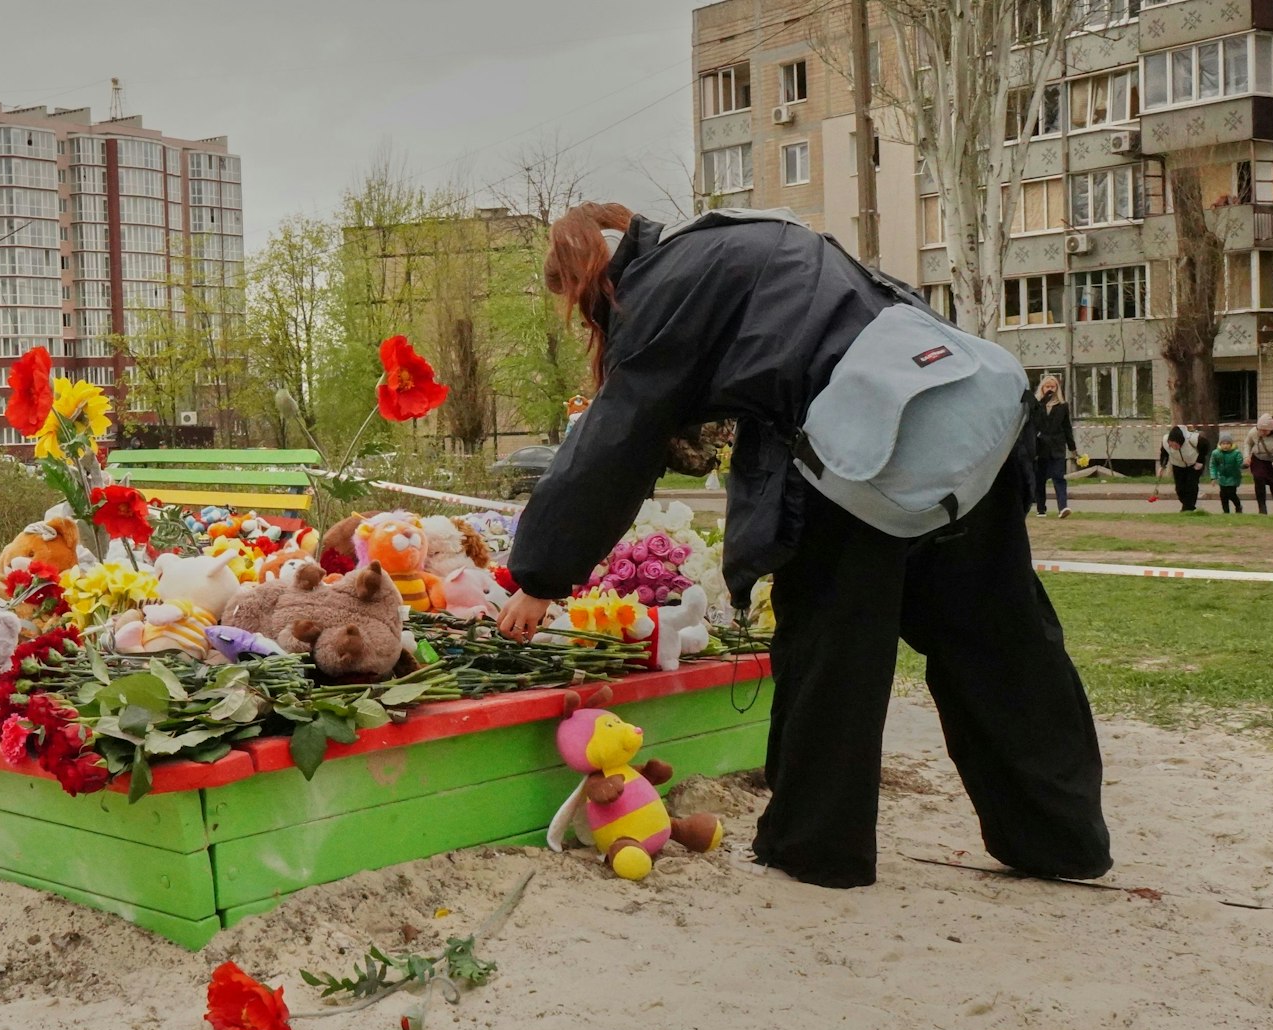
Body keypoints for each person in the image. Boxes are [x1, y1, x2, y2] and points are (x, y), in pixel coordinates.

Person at [498, 203, 1111, 890]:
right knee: (1003, 636)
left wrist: (540, 575)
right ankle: (1062, 837)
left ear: (590, 278)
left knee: (832, 647)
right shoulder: (742, 233)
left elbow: (616, 440)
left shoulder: (662, 287)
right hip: (957, 413)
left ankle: (817, 844)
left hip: (855, 453)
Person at [1030, 375, 1076, 518]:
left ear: (1057, 388)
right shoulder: (1036, 405)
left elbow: (1067, 428)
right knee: (1040, 479)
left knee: (1058, 477)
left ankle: (1063, 507)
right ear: (1042, 388)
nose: (1050, 389)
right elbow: (1032, 425)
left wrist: (1072, 448)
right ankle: (1041, 509)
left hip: (1057, 447)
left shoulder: (1063, 406)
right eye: (1047, 386)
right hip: (1040, 447)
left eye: (1053, 387)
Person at [1154, 425, 1204, 513]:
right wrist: (1162, 466)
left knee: (1191, 486)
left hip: (1193, 464)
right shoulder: (1165, 441)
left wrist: (1200, 461)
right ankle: (1187, 506)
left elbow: (1205, 447)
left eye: (1176, 445)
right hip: (1177, 465)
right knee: (1180, 488)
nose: (1174, 447)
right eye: (1171, 445)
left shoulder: (1193, 439)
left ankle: (1188, 508)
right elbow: (1164, 453)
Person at [1208, 432, 1244, 514]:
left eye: (1228, 443)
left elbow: (1240, 463)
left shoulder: (1236, 453)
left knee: (1231, 494)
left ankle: (1238, 506)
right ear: (1220, 444)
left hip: (1233, 477)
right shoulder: (1216, 453)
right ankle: (1226, 511)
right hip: (1222, 477)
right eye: (1223, 443)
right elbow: (1213, 465)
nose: (1225, 445)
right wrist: (1213, 477)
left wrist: (1242, 465)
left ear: (1231, 444)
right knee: (1223, 496)